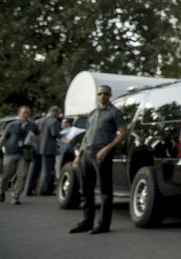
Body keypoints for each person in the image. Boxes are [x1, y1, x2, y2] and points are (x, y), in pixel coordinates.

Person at [69, 85, 127, 235]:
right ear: (97, 95)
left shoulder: (115, 113)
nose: (102, 96)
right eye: (100, 94)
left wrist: (106, 149)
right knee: (86, 190)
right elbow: (87, 134)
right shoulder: (92, 113)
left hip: (102, 154)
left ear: (110, 95)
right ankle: (87, 221)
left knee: (105, 191)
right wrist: (78, 156)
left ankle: (103, 224)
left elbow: (123, 132)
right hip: (87, 154)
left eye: (105, 94)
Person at [0, 106, 38, 204]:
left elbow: (38, 136)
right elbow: (4, 137)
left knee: (22, 175)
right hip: (11, 152)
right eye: (24, 113)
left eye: (27, 113)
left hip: (25, 153)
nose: (26, 115)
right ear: (19, 113)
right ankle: (1, 191)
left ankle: (15, 196)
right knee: (6, 175)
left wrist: (34, 140)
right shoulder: (11, 125)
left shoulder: (32, 126)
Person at [35, 105, 62, 195]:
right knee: (46, 170)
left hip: (38, 148)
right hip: (48, 148)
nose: (58, 116)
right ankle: (43, 189)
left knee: (35, 170)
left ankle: (30, 188)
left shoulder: (39, 121)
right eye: (58, 113)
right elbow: (55, 133)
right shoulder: (54, 122)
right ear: (55, 112)